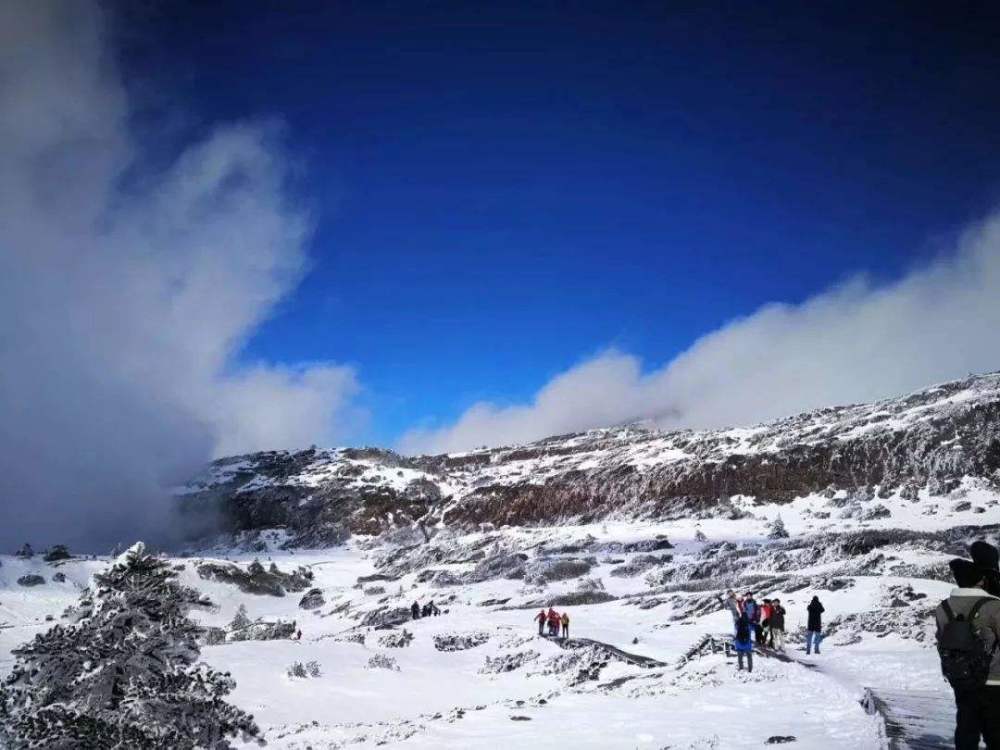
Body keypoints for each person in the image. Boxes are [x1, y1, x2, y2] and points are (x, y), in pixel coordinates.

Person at [935, 548, 1000, 749]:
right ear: (980, 580)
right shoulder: (994, 605)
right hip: (994, 678)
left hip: (961, 675)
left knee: (966, 725)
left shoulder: (943, 607)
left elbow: (941, 639)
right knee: (995, 731)